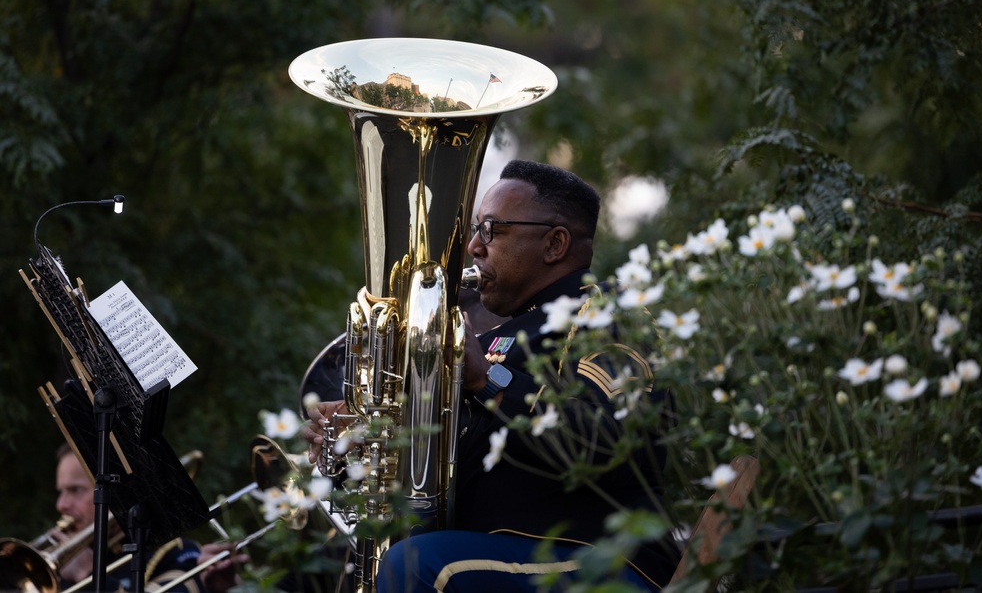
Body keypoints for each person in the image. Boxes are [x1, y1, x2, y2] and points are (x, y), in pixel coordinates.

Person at [304, 160, 679, 591]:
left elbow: (616, 441)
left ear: (554, 244)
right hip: (501, 558)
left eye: (490, 230)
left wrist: (488, 382)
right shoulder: (505, 333)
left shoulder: (610, 312)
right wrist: (373, 438)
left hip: (600, 559)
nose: (472, 247)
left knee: (418, 567)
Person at [52, 444, 244, 592]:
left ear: (120, 492)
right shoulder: (57, 568)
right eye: (61, 492)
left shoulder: (175, 554)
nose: (61, 505)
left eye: (75, 490)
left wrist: (88, 574)